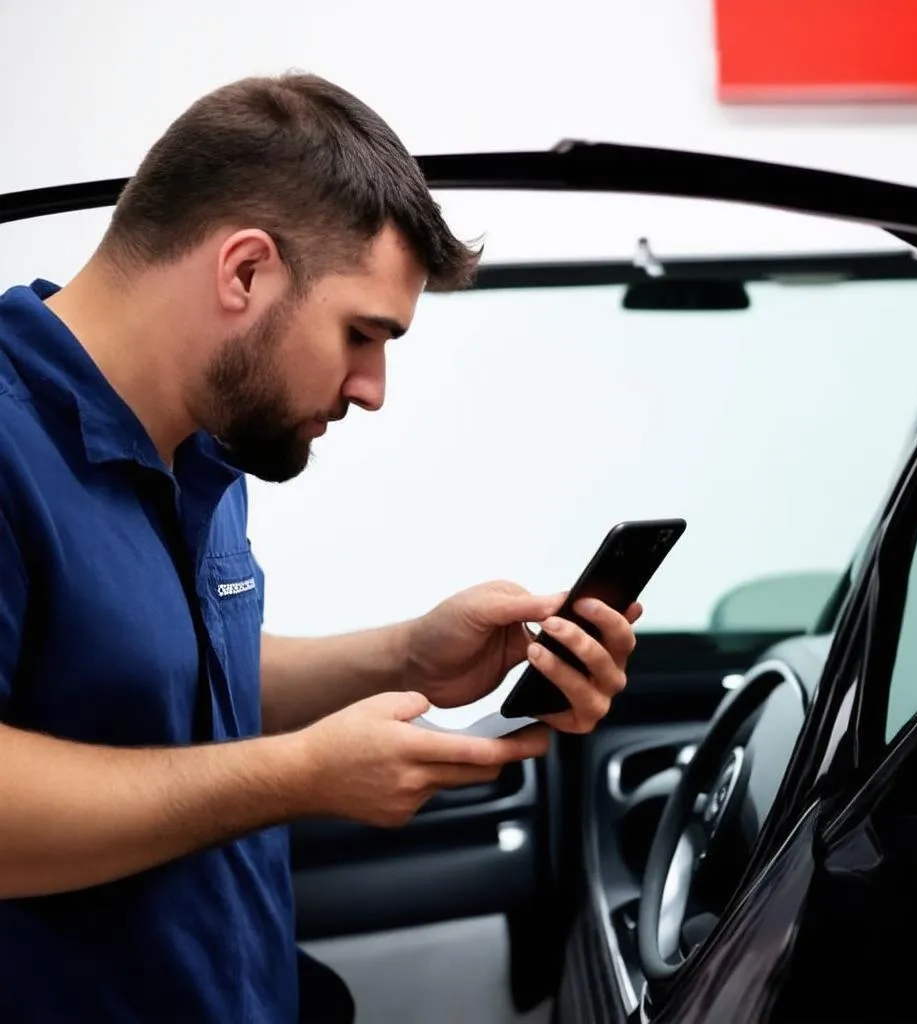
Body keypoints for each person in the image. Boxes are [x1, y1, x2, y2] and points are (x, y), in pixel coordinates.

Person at [0, 72, 641, 1023]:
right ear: (246, 270)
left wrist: (407, 656)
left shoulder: (205, 448)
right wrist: (298, 776)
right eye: (362, 333)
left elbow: (164, 675)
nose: (374, 387)